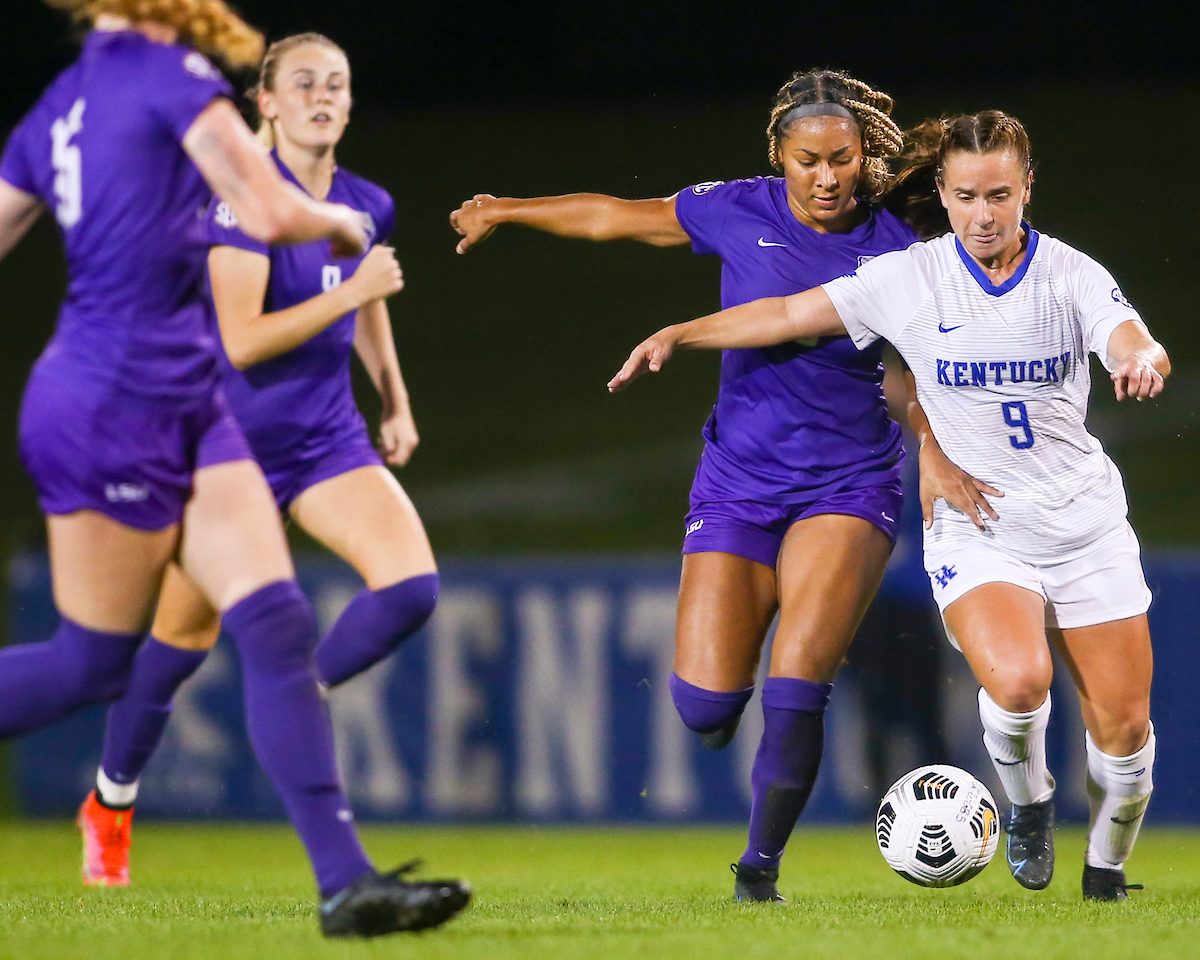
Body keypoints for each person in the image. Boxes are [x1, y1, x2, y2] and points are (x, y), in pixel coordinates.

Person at [609, 110, 1168, 902]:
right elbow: (786, 314)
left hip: (1085, 526)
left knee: (1126, 732)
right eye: (966, 196)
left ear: (1027, 189)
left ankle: (1106, 870)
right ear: (942, 190)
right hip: (981, 528)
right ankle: (1030, 803)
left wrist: (1141, 359)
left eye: (999, 196)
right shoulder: (908, 276)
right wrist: (682, 333)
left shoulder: (1071, 274)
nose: (983, 215)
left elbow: (1130, 335)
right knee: (1019, 683)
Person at [0, 2, 467, 936]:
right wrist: (337, 226)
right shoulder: (168, 79)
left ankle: (345, 886)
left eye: (336, 84)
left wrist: (392, 390)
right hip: (118, 404)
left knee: (278, 624)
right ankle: (117, 800)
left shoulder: (58, 104)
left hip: (188, 405)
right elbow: (268, 213)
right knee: (94, 661)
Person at [451, 69, 918, 902]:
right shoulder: (735, 208)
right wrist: (507, 210)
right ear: (778, 158)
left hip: (849, 482)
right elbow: (615, 217)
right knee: (704, 707)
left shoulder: (899, 242)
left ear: (863, 155)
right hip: (738, 481)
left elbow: (930, 361)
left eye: (842, 159)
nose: (827, 177)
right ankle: (738, 680)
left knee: (798, 675)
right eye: (808, 161)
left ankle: (758, 871)